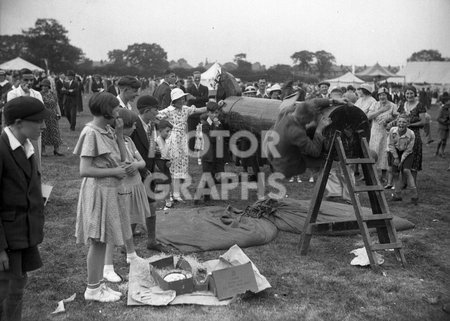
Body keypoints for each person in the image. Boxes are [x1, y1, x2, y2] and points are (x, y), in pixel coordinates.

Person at [74, 92, 131, 302]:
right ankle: (92, 289)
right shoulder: (91, 133)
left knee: (103, 239)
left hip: (109, 190)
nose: (118, 111)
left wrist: (118, 134)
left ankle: (97, 285)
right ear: (106, 110)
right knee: (97, 241)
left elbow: (123, 159)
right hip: (98, 190)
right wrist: (113, 172)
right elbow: (84, 169)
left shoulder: (107, 130)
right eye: (115, 108)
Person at [0, 97, 50, 320]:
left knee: (17, 285)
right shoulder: (1, 149)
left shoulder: (26, 146)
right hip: (7, 238)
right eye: (39, 121)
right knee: (6, 289)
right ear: (18, 122)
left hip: (22, 233)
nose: (44, 126)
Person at [103, 108, 149, 283]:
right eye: (133, 125)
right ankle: (107, 266)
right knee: (114, 225)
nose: (136, 127)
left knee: (129, 222)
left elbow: (142, 161)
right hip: (121, 187)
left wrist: (137, 165)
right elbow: (120, 162)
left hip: (134, 185)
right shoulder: (114, 142)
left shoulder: (129, 140)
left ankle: (131, 254)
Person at [130, 95, 166, 251]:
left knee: (152, 206)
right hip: (136, 174)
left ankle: (151, 241)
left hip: (149, 173)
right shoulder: (132, 125)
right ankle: (127, 245)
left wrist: (158, 157)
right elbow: (127, 152)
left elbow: (150, 148)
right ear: (146, 110)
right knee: (134, 209)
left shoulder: (151, 125)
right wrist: (143, 170)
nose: (157, 113)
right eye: (155, 110)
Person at [158, 88, 207, 201]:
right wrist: (165, 130)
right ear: (174, 101)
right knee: (173, 166)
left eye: (182, 98)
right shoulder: (169, 110)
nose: (182, 101)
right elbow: (156, 116)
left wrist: (211, 106)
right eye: (179, 99)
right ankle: (172, 194)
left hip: (183, 140)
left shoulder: (185, 109)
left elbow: (199, 110)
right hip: (173, 140)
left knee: (180, 167)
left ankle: (176, 193)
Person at [6, 68, 44, 170]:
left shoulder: (37, 94)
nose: (29, 82)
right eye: (26, 80)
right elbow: (15, 114)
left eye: (31, 80)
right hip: (18, 131)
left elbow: (40, 112)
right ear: (20, 80)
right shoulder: (12, 94)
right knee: (19, 158)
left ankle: (36, 179)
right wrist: (27, 97)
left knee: (35, 158)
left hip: (33, 130)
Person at [397, 85, 426, 187]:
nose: (409, 95)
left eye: (411, 93)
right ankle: (404, 183)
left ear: (415, 94)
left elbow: (423, 122)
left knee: (414, 159)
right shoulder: (402, 105)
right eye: (407, 93)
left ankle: (412, 184)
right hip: (402, 135)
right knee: (402, 158)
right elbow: (398, 118)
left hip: (414, 136)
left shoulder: (420, 105)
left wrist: (411, 125)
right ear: (405, 94)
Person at [367, 87, 398, 183]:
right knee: (374, 151)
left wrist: (389, 122)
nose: (382, 97)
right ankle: (373, 175)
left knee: (385, 153)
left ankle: (383, 176)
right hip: (375, 131)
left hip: (386, 132)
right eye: (380, 95)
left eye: (384, 94)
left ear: (387, 95)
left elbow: (397, 118)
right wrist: (381, 110)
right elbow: (369, 116)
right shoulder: (375, 104)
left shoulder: (393, 105)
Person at [197, 101, 225, 202]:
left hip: (216, 152)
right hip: (208, 154)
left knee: (212, 175)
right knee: (207, 174)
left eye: (216, 113)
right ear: (208, 112)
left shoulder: (216, 121)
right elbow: (210, 137)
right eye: (212, 113)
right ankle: (200, 194)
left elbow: (220, 130)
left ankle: (206, 196)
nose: (214, 115)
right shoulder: (205, 123)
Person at [388, 114, 418, 205]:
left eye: (404, 122)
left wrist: (401, 161)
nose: (401, 124)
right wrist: (396, 157)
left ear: (408, 124)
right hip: (396, 151)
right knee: (395, 173)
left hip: (407, 153)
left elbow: (409, 149)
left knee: (406, 170)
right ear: (397, 122)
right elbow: (391, 145)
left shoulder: (411, 134)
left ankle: (414, 195)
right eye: (400, 122)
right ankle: (397, 195)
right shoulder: (392, 130)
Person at [39, 79, 63, 156]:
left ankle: (56, 150)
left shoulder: (53, 94)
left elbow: (56, 104)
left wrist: (59, 113)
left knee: (55, 132)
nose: (44, 87)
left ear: (49, 86)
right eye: (43, 86)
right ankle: (43, 150)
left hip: (53, 115)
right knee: (44, 132)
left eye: (46, 86)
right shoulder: (39, 94)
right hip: (44, 115)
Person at [186, 71, 209, 151]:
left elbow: (206, 99)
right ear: (193, 78)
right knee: (191, 132)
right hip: (192, 114)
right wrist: (199, 99)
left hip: (202, 114)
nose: (197, 79)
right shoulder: (188, 89)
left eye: (199, 77)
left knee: (202, 132)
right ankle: (191, 149)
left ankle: (201, 148)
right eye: (196, 77)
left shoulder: (205, 88)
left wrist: (195, 98)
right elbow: (189, 100)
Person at [155, 120, 174, 209]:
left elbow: (166, 154)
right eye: (167, 131)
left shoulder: (165, 140)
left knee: (167, 182)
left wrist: (168, 161)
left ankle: (168, 200)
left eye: (170, 131)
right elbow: (151, 155)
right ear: (160, 131)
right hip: (158, 166)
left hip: (164, 165)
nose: (168, 133)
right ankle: (160, 201)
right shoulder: (155, 142)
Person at [436, 92, 450, 157]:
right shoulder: (441, 109)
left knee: (444, 141)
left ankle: (442, 152)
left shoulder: (448, 109)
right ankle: (437, 151)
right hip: (442, 127)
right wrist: (445, 120)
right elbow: (438, 118)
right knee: (440, 140)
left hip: (447, 127)